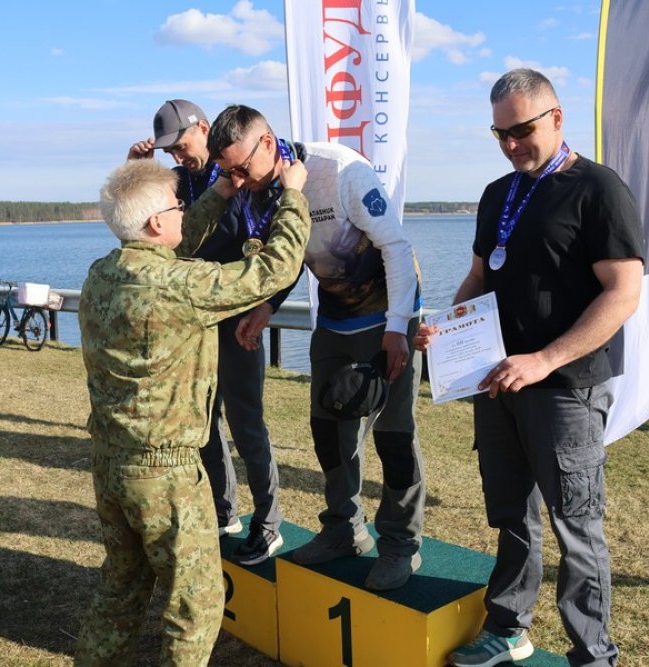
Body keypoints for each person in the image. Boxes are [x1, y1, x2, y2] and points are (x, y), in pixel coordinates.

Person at [416, 69, 644, 667]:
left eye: (522, 130)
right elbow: (479, 277)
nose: (512, 143)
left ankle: (593, 654)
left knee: (577, 527)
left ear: (557, 118)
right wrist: (444, 329)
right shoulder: (499, 194)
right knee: (512, 515)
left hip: (567, 389)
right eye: (500, 134)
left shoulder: (599, 189)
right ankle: (509, 629)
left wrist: (545, 360)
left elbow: (623, 293)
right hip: (497, 384)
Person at [74, 157, 310, 666]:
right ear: (156, 222)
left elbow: (168, 252)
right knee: (196, 605)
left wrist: (219, 193)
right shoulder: (181, 287)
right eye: (178, 206)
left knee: (121, 587)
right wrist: (292, 196)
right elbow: (274, 269)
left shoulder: (101, 275)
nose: (184, 212)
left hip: (110, 462)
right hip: (166, 474)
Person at [205, 104, 425, 591]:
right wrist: (268, 306)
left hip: (389, 313)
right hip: (335, 315)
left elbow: (395, 246)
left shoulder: (342, 171)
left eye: (242, 168)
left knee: (394, 436)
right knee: (328, 428)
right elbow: (286, 256)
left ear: (268, 143)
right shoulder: (257, 191)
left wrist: (397, 327)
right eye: (228, 173)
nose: (238, 180)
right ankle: (344, 529)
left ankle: (400, 544)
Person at [126, 99, 297, 566]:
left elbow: (283, 250)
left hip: (238, 319)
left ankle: (269, 523)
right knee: (204, 423)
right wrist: (140, 172)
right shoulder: (176, 182)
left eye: (182, 146)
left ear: (203, 128)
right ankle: (224, 514)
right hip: (193, 321)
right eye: (170, 152)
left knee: (247, 423)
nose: (179, 157)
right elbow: (143, 230)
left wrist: (266, 307)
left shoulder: (244, 174)